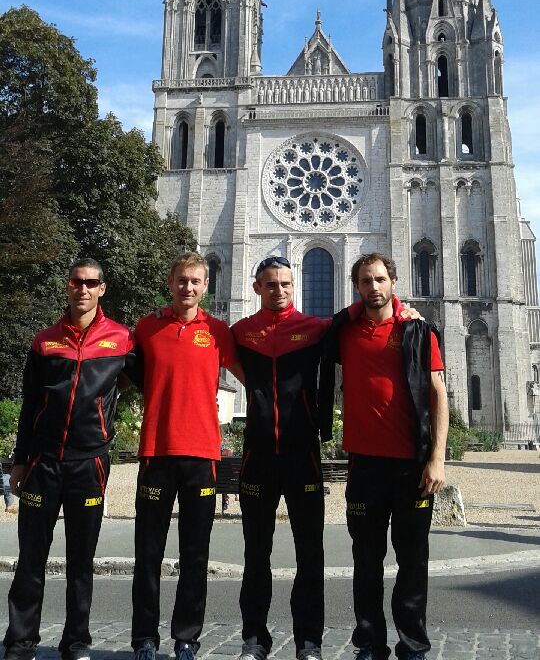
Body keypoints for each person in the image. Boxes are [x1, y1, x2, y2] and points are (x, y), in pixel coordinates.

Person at [319, 253, 448, 660]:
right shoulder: (344, 329)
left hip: (412, 463)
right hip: (365, 464)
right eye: (364, 281)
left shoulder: (417, 329)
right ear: (355, 287)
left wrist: (438, 459)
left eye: (379, 279)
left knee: (412, 561)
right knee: (366, 562)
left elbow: (437, 394)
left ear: (393, 281)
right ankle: (369, 644)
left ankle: (412, 645)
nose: (373, 287)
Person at [3, 259, 134, 660]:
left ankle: (76, 641)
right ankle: (21, 641)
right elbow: (29, 404)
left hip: (89, 463)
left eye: (91, 283)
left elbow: (141, 381)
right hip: (43, 462)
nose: (83, 288)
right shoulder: (44, 340)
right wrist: (20, 460)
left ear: (102, 289)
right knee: (30, 558)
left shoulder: (123, 340)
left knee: (82, 559)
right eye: (77, 281)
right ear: (68, 286)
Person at [131, 252, 244, 660]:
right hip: (156, 454)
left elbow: (253, 377)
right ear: (170, 281)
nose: (189, 287)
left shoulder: (217, 330)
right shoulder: (146, 327)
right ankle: (144, 637)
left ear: (206, 286)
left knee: (195, 555)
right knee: (148, 554)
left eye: (196, 281)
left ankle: (186, 637)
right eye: (182, 280)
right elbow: (120, 375)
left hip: (202, 457)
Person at [231, 257, 336, 660]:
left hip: (302, 454)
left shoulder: (316, 329)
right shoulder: (241, 332)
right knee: (255, 554)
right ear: (257, 287)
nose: (279, 291)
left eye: (286, 284)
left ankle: (309, 641)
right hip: (257, 454)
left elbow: (366, 318)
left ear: (295, 286)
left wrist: (404, 309)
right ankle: (254, 640)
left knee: (310, 554)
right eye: (271, 284)